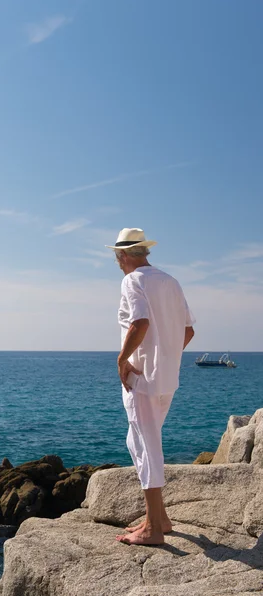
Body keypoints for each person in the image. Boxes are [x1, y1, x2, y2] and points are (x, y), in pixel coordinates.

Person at [105, 228, 195, 546]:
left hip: (142, 379)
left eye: (118, 256)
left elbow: (139, 323)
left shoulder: (132, 281)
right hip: (166, 379)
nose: (118, 263)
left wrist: (122, 360)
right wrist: (167, 358)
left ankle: (154, 531)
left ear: (124, 256)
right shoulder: (170, 281)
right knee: (141, 442)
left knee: (146, 448)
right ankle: (158, 518)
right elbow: (188, 330)